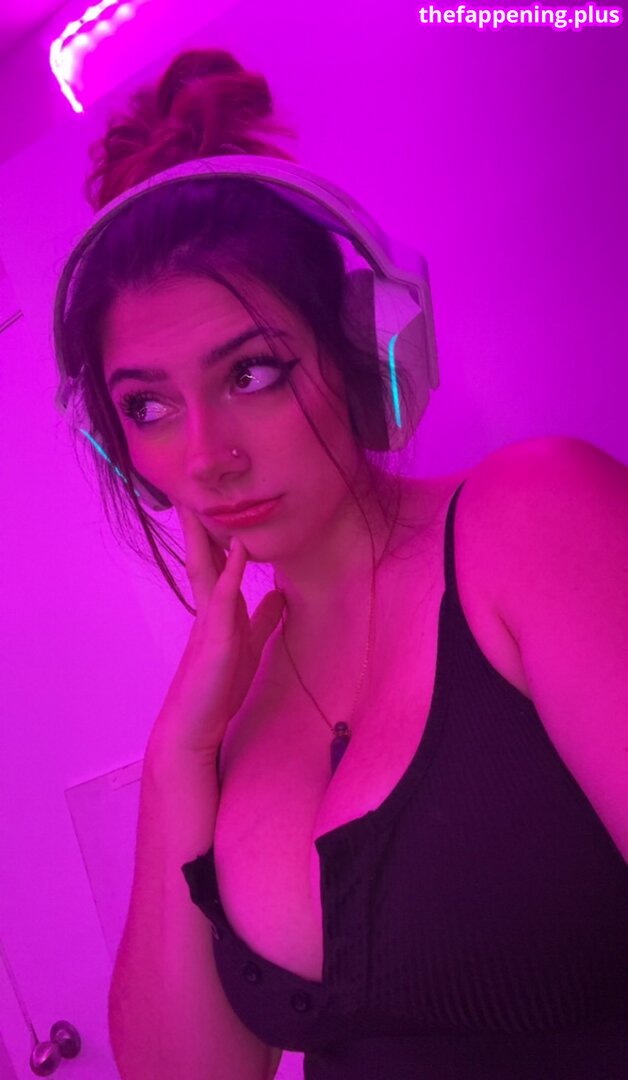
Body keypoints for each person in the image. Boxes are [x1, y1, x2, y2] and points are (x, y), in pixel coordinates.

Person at [53, 47, 628, 1080]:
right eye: (148, 406)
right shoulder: (226, 718)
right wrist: (182, 748)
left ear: (365, 350)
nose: (206, 456)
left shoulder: (531, 519)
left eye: (252, 372)